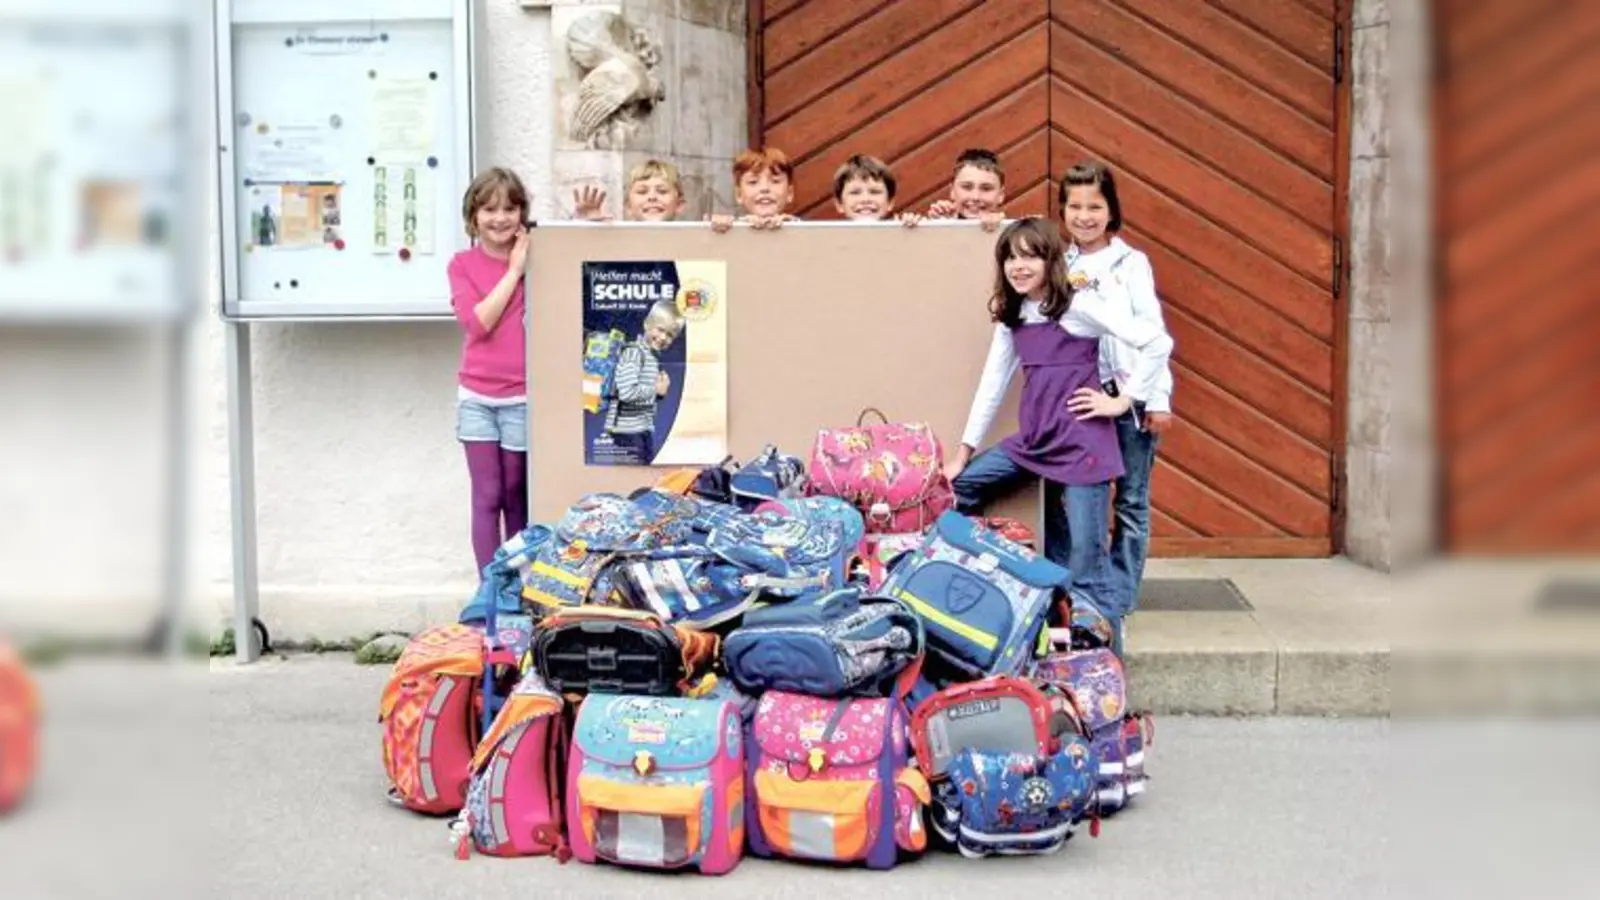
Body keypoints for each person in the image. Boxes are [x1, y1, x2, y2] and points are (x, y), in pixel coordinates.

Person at [946, 217, 1173, 655]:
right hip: (1035, 441)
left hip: (1082, 447)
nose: (1019, 265)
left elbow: (1156, 344)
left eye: (1030, 255)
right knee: (962, 487)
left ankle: (1108, 670)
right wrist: (963, 452)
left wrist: (1124, 401)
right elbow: (992, 385)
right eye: (1010, 257)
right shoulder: (1012, 316)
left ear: (1051, 259)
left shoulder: (1078, 307)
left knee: (1088, 569)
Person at [1058, 161, 1175, 626]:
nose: (1084, 216)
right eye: (1074, 206)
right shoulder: (1058, 263)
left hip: (1131, 399)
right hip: (1083, 401)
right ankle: (1088, 588)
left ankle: (1120, 596)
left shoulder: (1131, 263)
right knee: (1082, 502)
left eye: (1095, 206)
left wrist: (1158, 398)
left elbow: (1153, 331)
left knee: (1129, 500)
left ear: (1111, 211)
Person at [447, 167, 532, 572]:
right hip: (478, 397)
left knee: (517, 493)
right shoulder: (462, 264)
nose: (500, 218)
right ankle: (488, 590)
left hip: (524, 395)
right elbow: (478, 323)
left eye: (510, 208)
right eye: (490, 209)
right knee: (488, 495)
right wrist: (514, 272)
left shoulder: (540, 257)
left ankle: (518, 585)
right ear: (474, 216)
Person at [603, 299, 685, 463]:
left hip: (641, 429)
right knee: (630, 475)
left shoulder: (650, 356)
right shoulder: (634, 353)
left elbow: (642, 397)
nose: (663, 338)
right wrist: (656, 390)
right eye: (660, 330)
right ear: (647, 324)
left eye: (670, 335)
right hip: (626, 433)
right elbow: (626, 393)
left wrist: (659, 394)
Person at [711, 147, 798, 232]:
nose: (765, 188)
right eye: (753, 182)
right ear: (739, 194)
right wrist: (718, 231)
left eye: (775, 181)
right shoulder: (730, 228)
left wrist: (792, 227)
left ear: (789, 193)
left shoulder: (804, 230)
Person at [572, 158, 688, 221]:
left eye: (662, 191)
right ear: (628, 206)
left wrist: (706, 241)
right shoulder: (614, 247)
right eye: (642, 192)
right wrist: (589, 231)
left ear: (679, 205)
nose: (652, 197)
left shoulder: (691, 244)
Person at [926, 147, 1006, 230]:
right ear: (952, 191)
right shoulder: (937, 224)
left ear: (1001, 195)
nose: (976, 197)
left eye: (986, 189)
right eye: (967, 187)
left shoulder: (1015, 237)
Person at [830, 154, 921, 225]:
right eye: (855, 193)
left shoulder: (903, 233)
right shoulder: (828, 243)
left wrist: (915, 233)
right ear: (839, 204)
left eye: (875, 192)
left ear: (890, 202)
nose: (865, 199)